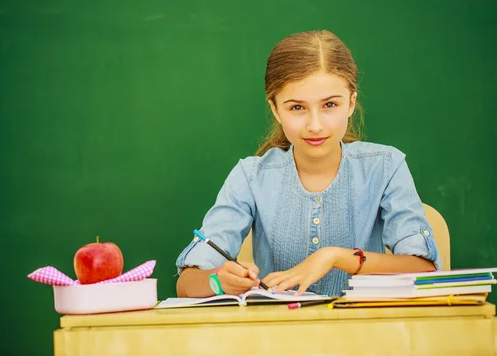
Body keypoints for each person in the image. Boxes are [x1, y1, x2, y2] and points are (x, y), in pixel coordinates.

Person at [175, 30, 441, 298]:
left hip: (365, 334)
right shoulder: (250, 177)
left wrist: (336, 257)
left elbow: (424, 270)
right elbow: (186, 284)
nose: (315, 125)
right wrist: (218, 281)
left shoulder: (385, 167)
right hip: (277, 336)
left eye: (329, 105)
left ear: (351, 103)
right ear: (275, 109)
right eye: (297, 108)